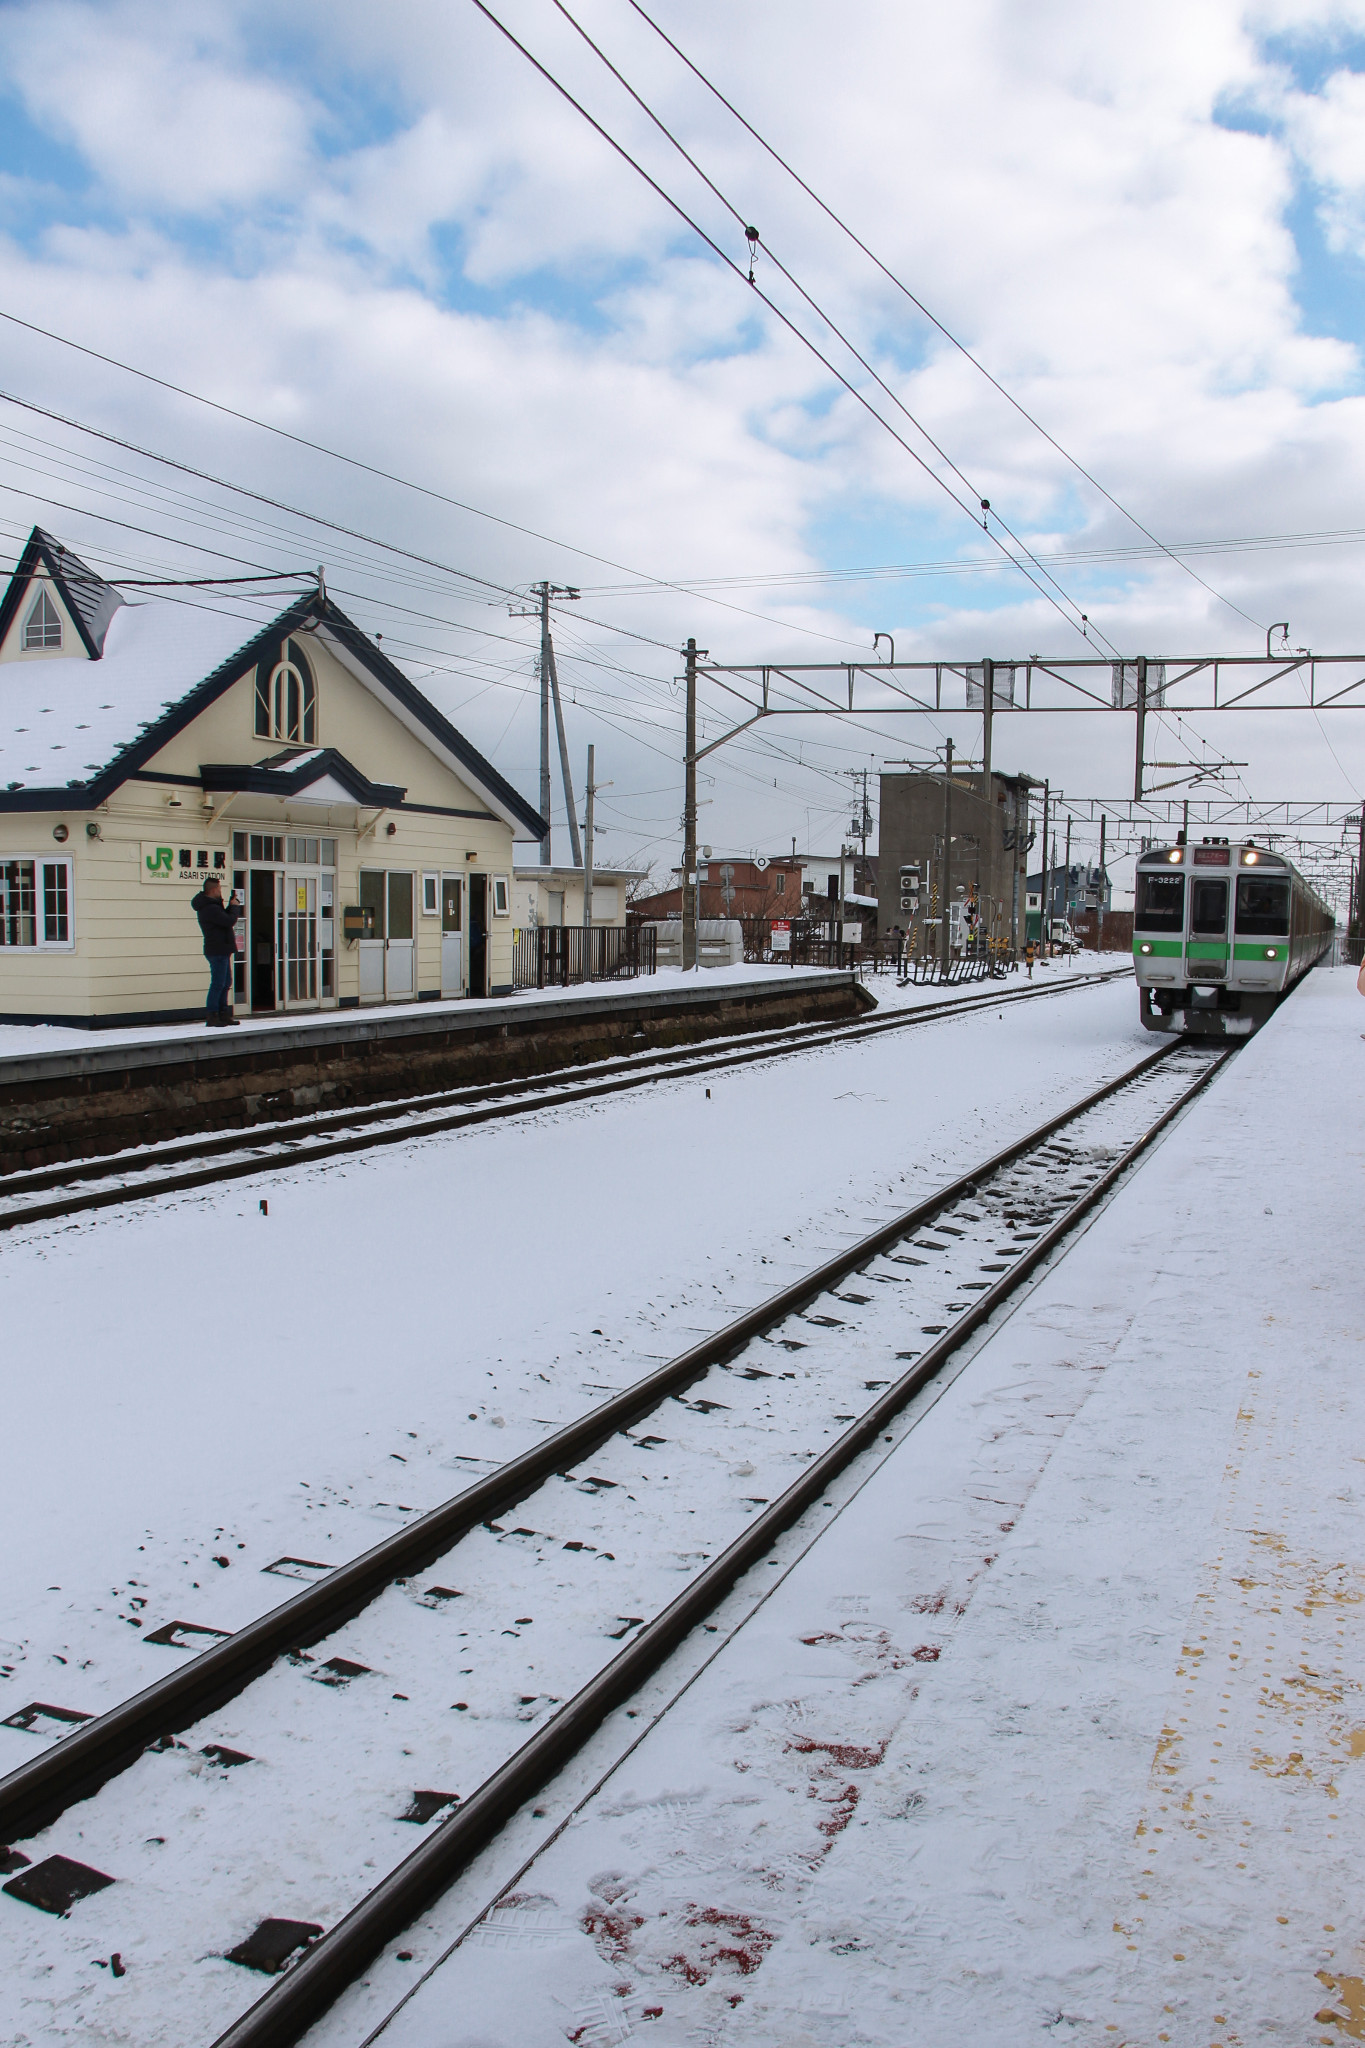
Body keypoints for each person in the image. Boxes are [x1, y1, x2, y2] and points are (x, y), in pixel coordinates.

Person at [191, 875, 242, 1026]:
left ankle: (222, 1013)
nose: (221, 892)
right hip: (217, 949)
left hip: (220, 948)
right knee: (218, 983)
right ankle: (213, 1016)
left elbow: (223, 918)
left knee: (225, 982)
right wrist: (234, 907)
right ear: (213, 890)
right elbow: (228, 920)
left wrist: (229, 907)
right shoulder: (209, 908)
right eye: (219, 889)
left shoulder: (212, 906)